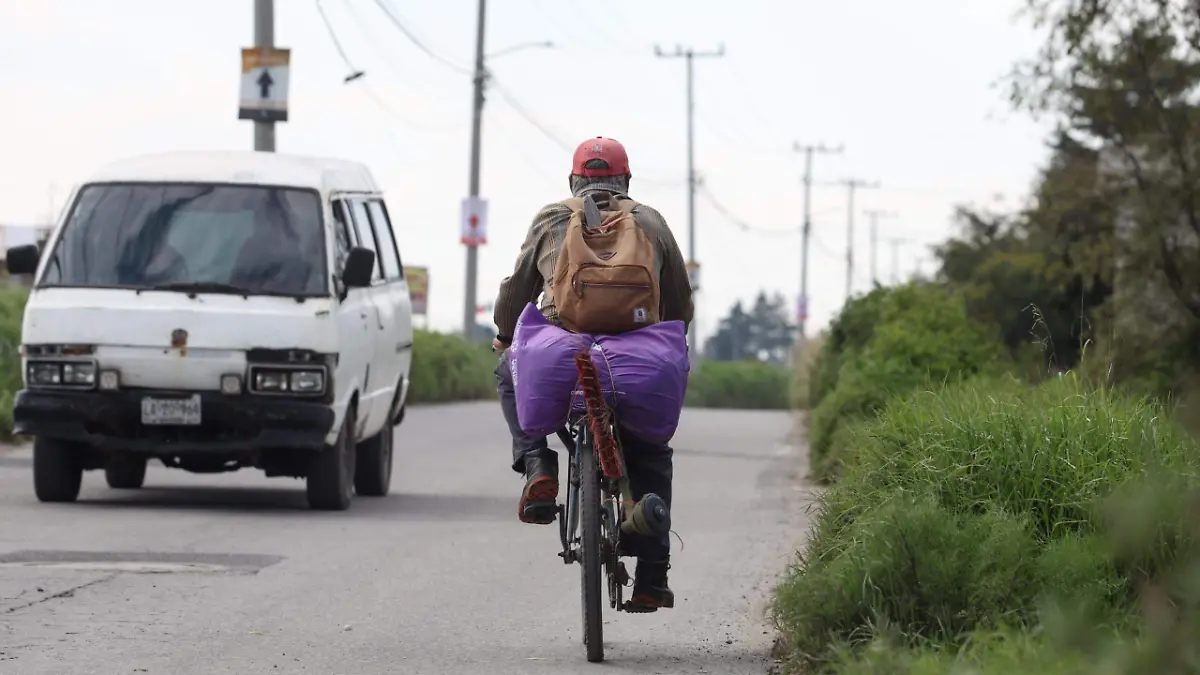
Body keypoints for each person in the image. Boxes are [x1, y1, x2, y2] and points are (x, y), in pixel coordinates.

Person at [491, 136, 694, 612]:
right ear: (625, 181)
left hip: (561, 352)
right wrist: (668, 338)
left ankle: (539, 467)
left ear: (573, 181)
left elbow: (517, 288)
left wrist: (506, 336)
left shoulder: (551, 218)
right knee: (651, 452)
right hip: (634, 356)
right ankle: (650, 576)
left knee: (508, 372)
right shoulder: (650, 221)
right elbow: (680, 299)